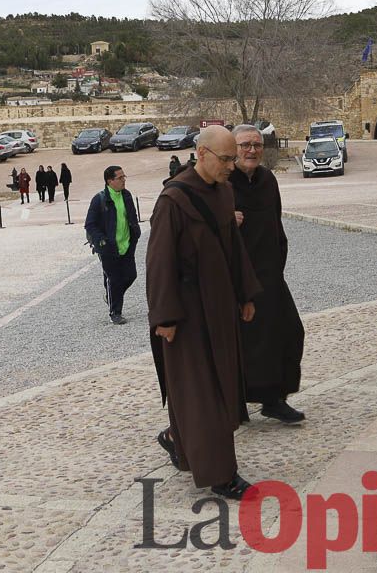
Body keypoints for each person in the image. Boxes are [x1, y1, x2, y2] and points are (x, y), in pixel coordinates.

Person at [146, 125, 261, 500]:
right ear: (202, 154)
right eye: (226, 159)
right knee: (202, 394)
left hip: (221, 307)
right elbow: (159, 262)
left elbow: (234, 251)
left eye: (233, 159)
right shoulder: (173, 201)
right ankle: (222, 474)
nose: (232, 165)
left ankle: (178, 439)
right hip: (187, 315)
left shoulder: (224, 193)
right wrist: (164, 318)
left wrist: (245, 294)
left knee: (215, 387)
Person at [229, 125, 305, 424]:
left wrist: (279, 261)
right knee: (243, 343)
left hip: (271, 276)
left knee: (288, 333)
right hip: (237, 279)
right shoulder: (223, 183)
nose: (251, 150)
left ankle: (274, 398)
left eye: (257, 145)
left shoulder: (267, 180)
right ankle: (236, 402)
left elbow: (276, 223)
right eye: (245, 145)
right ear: (233, 149)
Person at [85, 165, 141, 325]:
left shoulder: (127, 195)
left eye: (124, 177)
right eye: (120, 178)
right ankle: (115, 312)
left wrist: (135, 231)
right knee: (115, 279)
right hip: (108, 248)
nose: (124, 180)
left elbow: (132, 216)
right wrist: (101, 240)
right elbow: (90, 224)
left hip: (127, 244)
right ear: (110, 181)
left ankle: (111, 296)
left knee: (131, 275)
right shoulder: (99, 199)